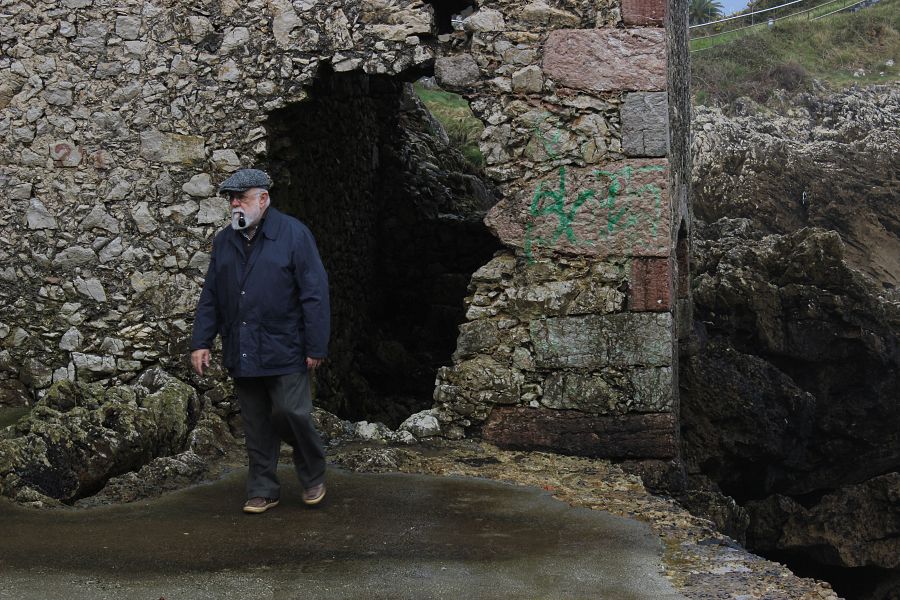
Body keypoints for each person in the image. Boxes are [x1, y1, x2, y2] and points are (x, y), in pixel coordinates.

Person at [190, 168, 331, 514]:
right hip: (243, 345)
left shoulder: (294, 235)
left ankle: (312, 473)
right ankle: (263, 488)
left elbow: (314, 292)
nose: (235, 204)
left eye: (241, 197)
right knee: (255, 423)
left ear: (263, 199)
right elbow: (211, 294)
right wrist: (201, 341)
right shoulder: (225, 241)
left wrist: (316, 346)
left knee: (289, 413)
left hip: (286, 345)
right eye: (230, 199)